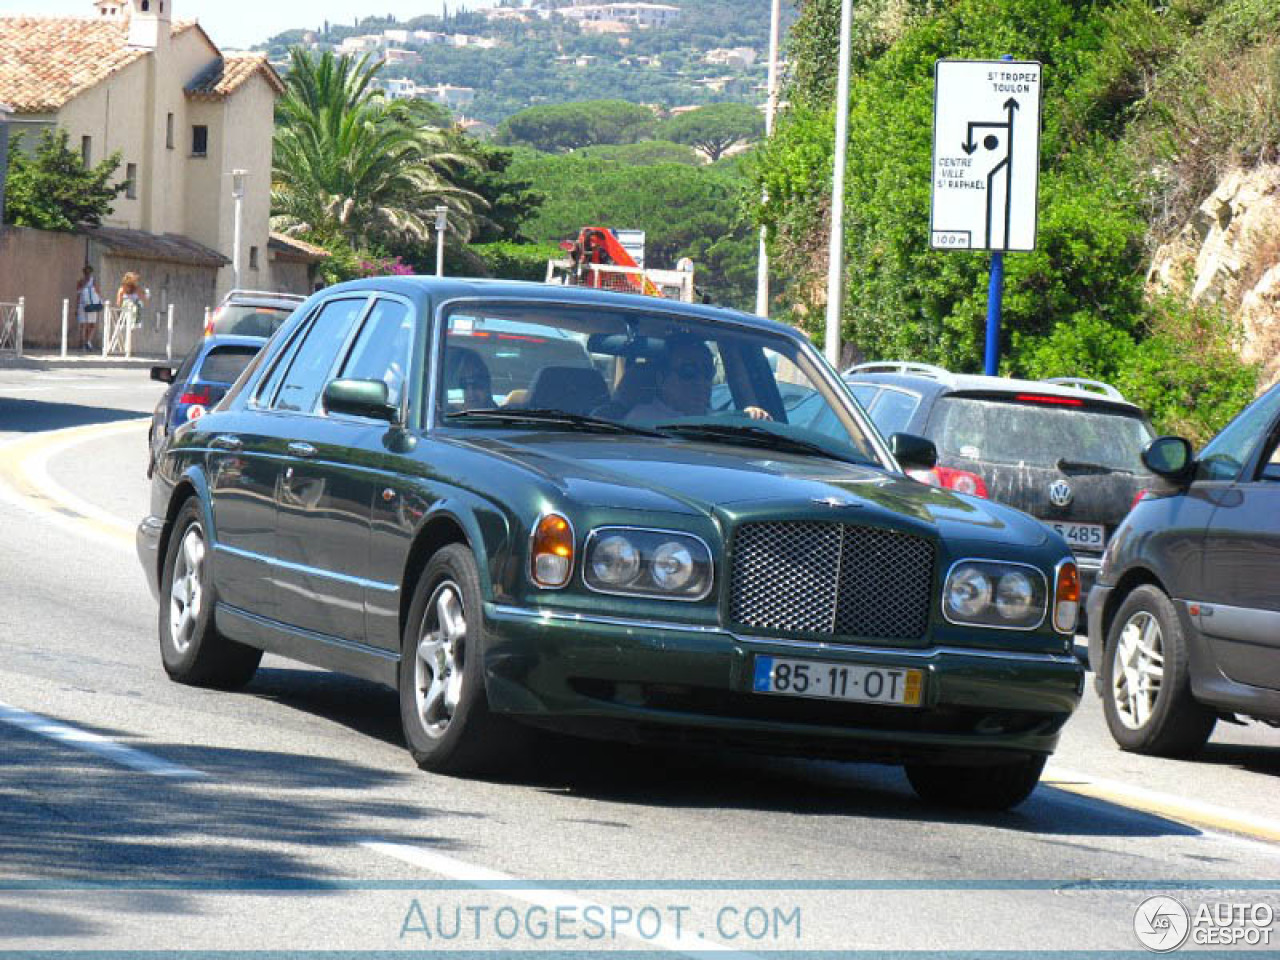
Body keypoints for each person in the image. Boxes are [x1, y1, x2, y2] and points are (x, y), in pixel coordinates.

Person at [626, 333, 770, 423]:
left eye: (707, 371)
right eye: (688, 371)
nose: (701, 381)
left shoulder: (721, 421)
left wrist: (753, 418)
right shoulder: (642, 420)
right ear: (661, 378)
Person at [75, 265, 103, 351]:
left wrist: (76, 307)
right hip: (89, 304)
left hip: (85, 304)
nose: (88, 274)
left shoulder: (82, 282)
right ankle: (87, 343)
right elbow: (97, 292)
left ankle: (86, 343)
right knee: (88, 325)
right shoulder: (89, 281)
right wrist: (100, 301)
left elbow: (78, 295)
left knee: (87, 325)